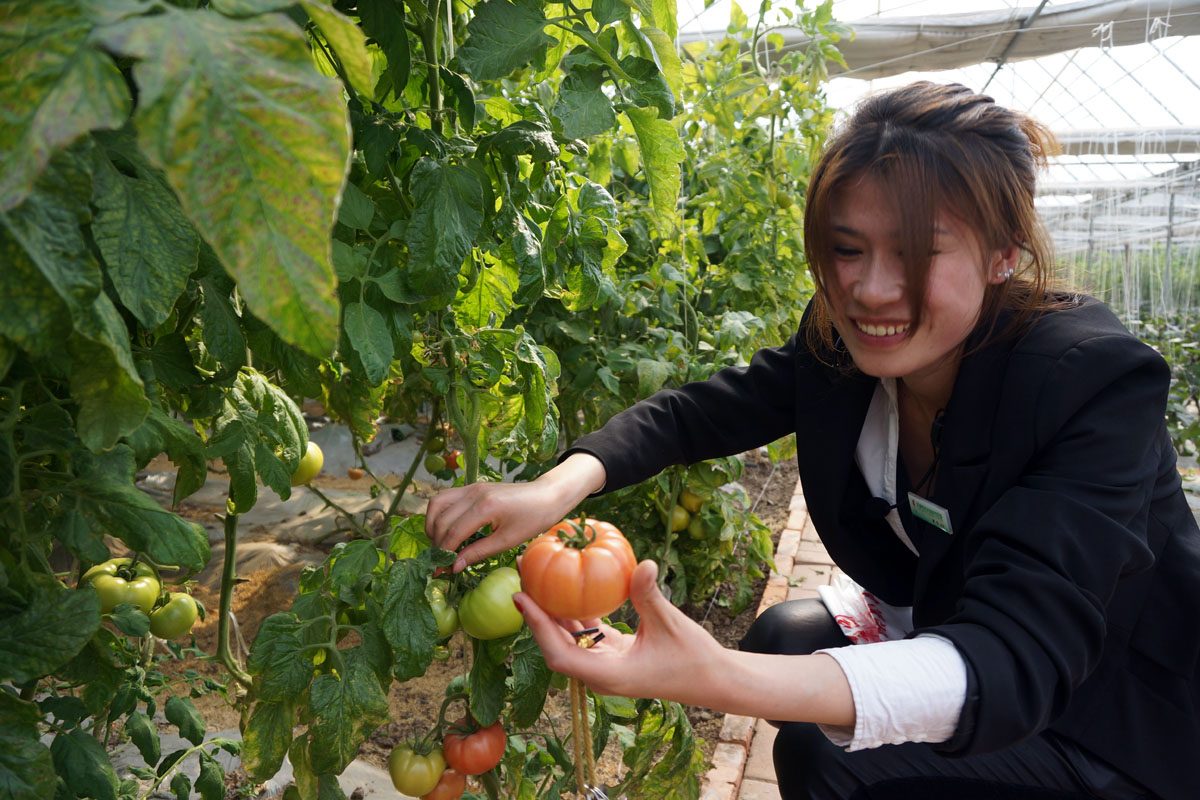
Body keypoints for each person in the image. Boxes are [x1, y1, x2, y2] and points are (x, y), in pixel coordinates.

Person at [425, 82, 1200, 800]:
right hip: (952, 631)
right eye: (847, 247)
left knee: (828, 754)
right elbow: (703, 413)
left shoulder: (1088, 381)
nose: (869, 288)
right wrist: (556, 487)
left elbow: (1012, 659)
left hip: (1102, 718)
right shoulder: (844, 347)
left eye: (918, 252)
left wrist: (713, 677)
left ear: (1004, 255)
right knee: (784, 635)